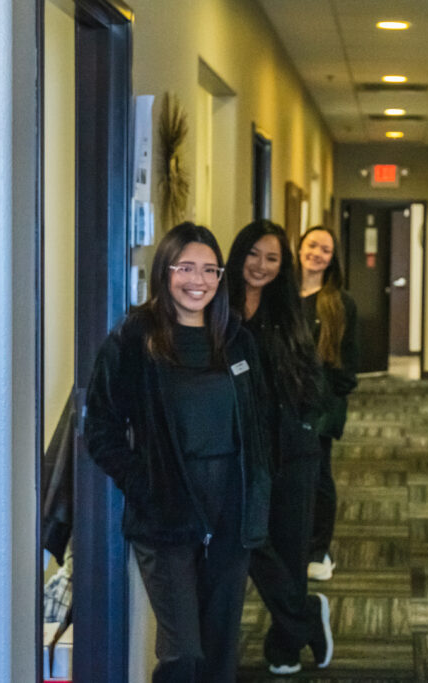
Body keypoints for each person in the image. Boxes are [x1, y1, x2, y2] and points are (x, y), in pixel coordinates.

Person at [85, 222, 271, 682]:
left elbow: (260, 421)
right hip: (165, 512)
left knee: (220, 649)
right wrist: (143, 483)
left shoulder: (236, 339)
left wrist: (261, 490)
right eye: (185, 267)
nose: (198, 280)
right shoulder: (135, 339)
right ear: (164, 272)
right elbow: (101, 427)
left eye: (210, 270)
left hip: (231, 508)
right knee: (183, 653)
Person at [225, 220, 333, 675]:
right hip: (237, 449)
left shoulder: (288, 309)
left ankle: (284, 643)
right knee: (248, 541)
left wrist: (310, 430)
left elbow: (311, 376)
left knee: (288, 549)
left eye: (272, 258)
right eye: (253, 254)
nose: (261, 266)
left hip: (291, 448)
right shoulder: (218, 305)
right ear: (238, 255)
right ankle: (305, 615)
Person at [296, 226, 358, 581]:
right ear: (300, 248)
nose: (317, 253)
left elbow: (348, 365)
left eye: (325, 250)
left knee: (318, 476)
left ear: (332, 259)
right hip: (284, 404)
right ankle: (293, 543)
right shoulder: (284, 295)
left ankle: (319, 549)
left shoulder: (339, 302)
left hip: (320, 406)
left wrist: (325, 397)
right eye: (312, 245)